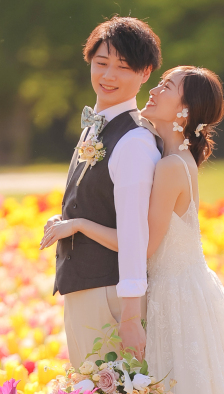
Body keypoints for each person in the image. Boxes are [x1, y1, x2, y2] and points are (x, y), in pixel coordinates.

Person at [43, 65, 224, 394]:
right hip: (187, 290)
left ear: (185, 111)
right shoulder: (170, 154)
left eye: (167, 87)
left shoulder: (171, 166)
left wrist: (80, 224)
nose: (153, 91)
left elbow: (142, 246)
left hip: (176, 296)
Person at [41, 17, 162, 367]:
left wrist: (128, 317)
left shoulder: (135, 141)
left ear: (145, 73)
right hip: (86, 289)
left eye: (123, 67)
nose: (108, 76)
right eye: (101, 63)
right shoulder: (96, 127)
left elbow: (138, 237)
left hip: (111, 294)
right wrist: (66, 219)